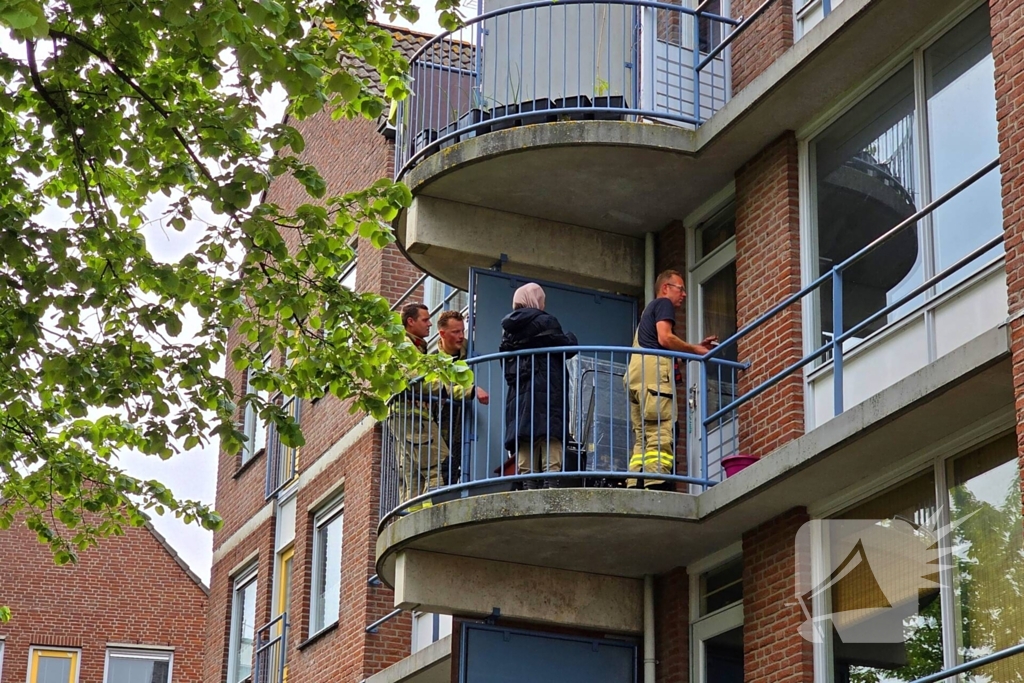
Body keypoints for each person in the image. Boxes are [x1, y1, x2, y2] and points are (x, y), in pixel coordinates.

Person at [626, 270, 716, 490]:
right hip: (653, 376)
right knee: (661, 430)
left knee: (643, 437)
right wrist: (695, 349)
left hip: (637, 376)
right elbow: (665, 338)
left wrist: (689, 351)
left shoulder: (648, 313)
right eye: (680, 288)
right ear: (665, 288)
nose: (684, 294)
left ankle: (635, 482)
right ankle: (658, 484)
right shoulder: (663, 304)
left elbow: (663, 349)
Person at [499, 283, 578, 489]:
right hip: (547, 385)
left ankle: (527, 483)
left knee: (524, 433)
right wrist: (572, 337)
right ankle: (551, 480)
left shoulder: (508, 329)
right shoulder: (545, 321)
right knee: (550, 431)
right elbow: (566, 347)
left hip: (521, 389)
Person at [393, 302, 448, 507]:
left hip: (405, 417)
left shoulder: (411, 346)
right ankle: (430, 513)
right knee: (440, 465)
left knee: (412, 475)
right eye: (425, 320)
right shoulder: (406, 347)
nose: (430, 324)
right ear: (410, 321)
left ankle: (412, 514)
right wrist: (448, 388)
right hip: (413, 417)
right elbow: (416, 380)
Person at [434, 310, 489, 485]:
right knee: (446, 470)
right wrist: (471, 391)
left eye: (462, 331)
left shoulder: (473, 349)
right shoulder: (434, 362)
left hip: (468, 425)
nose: (460, 336)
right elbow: (443, 388)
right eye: (455, 332)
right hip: (444, 425)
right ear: (442, 334)